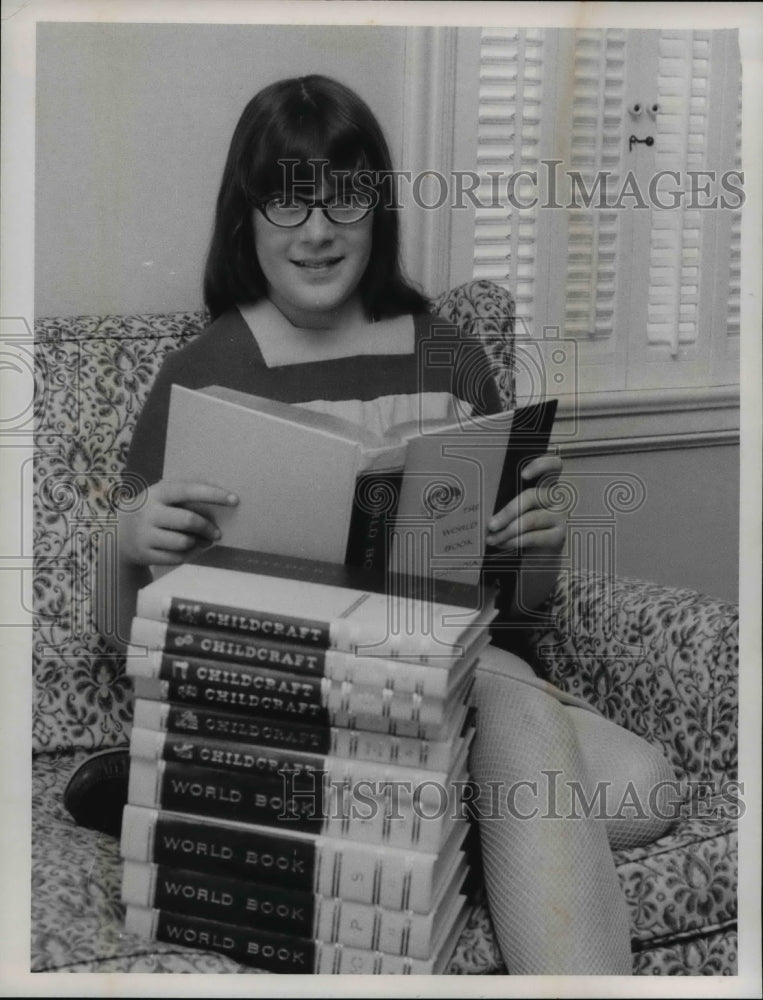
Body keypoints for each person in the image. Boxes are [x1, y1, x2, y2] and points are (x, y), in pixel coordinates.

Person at [91, 74, 677, 975]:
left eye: (345, 195)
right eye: (286, 199)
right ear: (244, 214)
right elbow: (127, 634)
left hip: (447, 677)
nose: (317, 230)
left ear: (379, 207)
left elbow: (515, 618)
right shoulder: (199, 372)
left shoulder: (449, 355)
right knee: (521, 742)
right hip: (289, 696)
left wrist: (539, 550)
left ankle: (351, 809)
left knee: (641, 791)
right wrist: (126, 545)